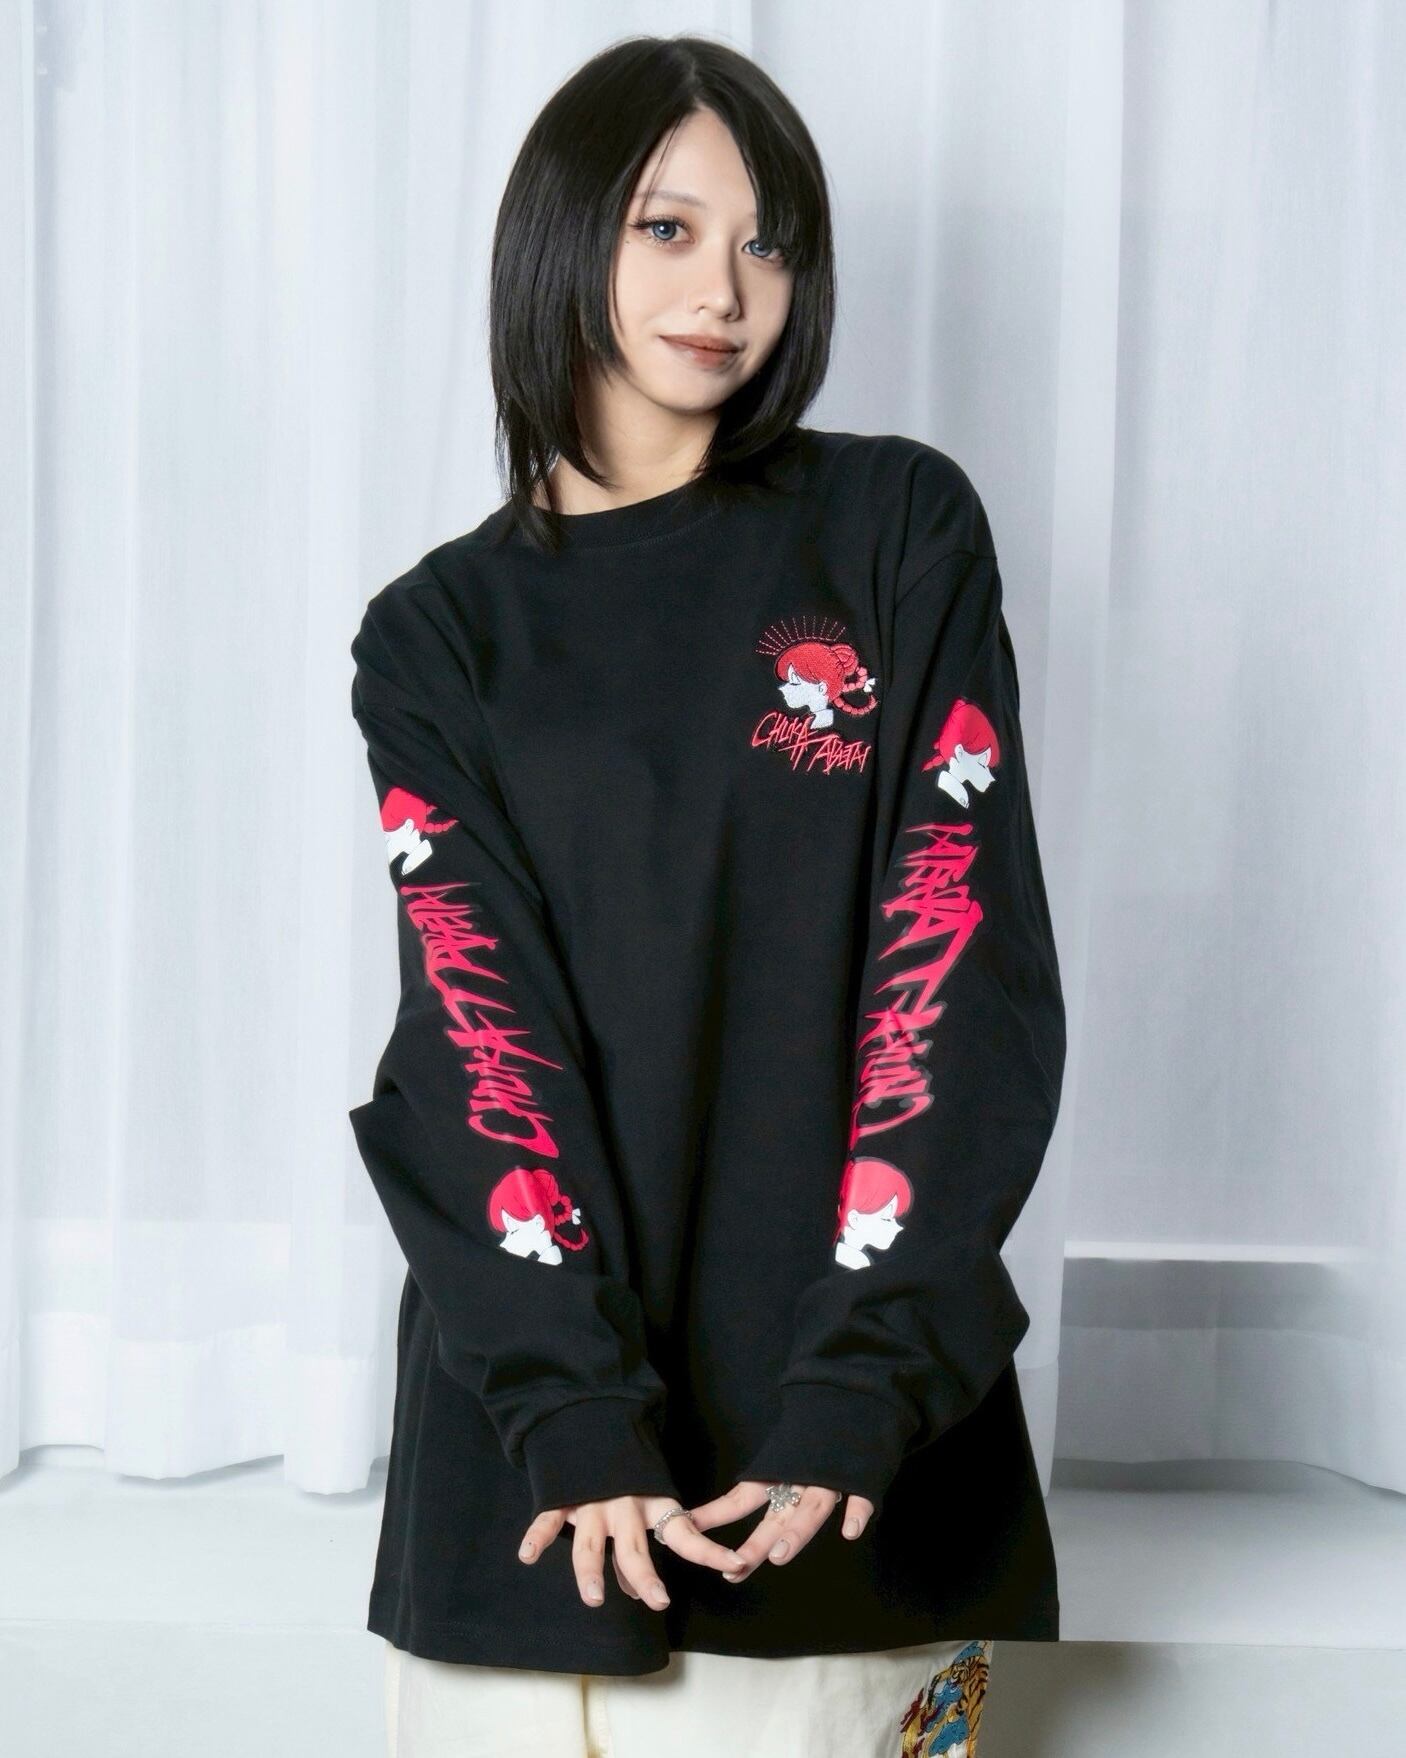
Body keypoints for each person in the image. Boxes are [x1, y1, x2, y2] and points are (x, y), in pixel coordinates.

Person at [348, 32, 1066, 1758]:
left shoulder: (893, 525)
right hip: (539, 1488)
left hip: (852, 1473)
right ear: (559, 236)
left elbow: (956, 962)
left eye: (768, 242)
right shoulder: (437, 633)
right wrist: (570, 1404)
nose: (725, 289)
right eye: (666, 228)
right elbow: (474, 1036)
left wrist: (865, 1378)